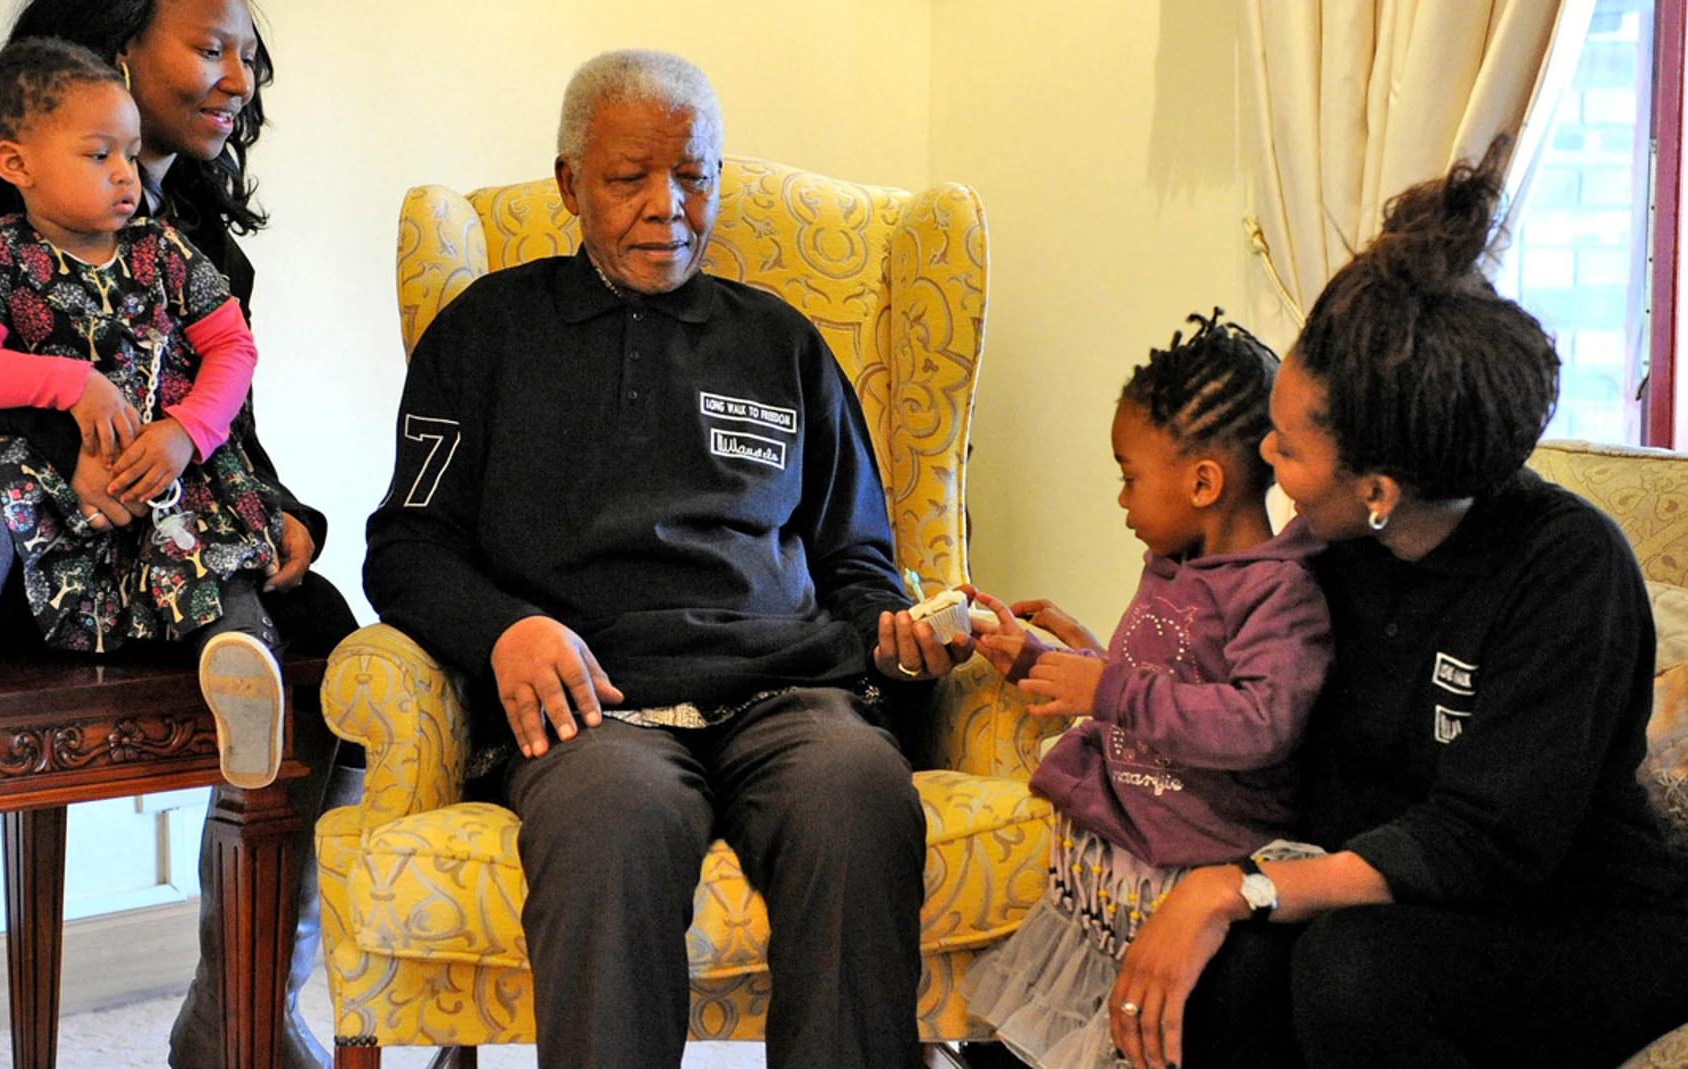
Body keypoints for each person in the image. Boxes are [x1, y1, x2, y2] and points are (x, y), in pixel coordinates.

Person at [362, 48, 968, 1069]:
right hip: (594, 705)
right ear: (568, 184)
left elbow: (857, 558)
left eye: (693, 174)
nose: (668, 207)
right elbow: (406, 546)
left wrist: (899, 640)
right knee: (607, 828)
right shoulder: (483, 335)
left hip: (792, 693)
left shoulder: (784, 344)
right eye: (627, 177)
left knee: (860, 795)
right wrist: (504, 630)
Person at [0, 2, 360, 1066]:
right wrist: (66, 455)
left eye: (250, 56)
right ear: (115, 38)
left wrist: (282, 514)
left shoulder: (183, 226)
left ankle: (240, 1009)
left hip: (126, 539)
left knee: (327, 636)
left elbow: (219, 413)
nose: (238, 79)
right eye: (209, 47)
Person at [1106, 141, 1688, 1069]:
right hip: (1399, 898)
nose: (1265, 457)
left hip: (1579, 918)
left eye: (1288, 449)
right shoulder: (1332, 547)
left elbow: (1481, 846)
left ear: (1378, 487)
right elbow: (1228, 672)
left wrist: (1237, 887)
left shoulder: (1568, 569)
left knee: (1350, 971)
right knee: (1233, 980)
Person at [0, 37, 289, 791]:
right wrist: (72, 384)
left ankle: (242, 657)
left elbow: (233, 352)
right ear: (16, 164)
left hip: (166, 462)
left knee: (207, 520)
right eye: (99, 156)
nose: (127, 175)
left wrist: (186, 433)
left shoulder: (169, 251)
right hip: (63, 485)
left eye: (129, 154)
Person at [957, 313, 1331, 1069]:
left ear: (1202, 481)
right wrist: (1031, 657)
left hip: (1195, 860)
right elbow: (1155, 687)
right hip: (1118, 859)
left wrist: (1110, 686)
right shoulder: (1175, 563)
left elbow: (1260, 721)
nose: (1122, 500)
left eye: (1130, 476)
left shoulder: (1279, 590)